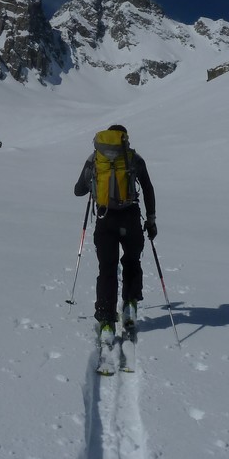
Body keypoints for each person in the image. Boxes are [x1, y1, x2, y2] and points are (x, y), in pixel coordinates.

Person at [73, 124, 156, 341]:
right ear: (124, 139)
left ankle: (107, 320)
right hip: (130, 218)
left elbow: (77, 191)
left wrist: (95, 184)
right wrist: (152, 220)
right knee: (131, 261)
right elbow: (148, 188)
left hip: (104, 219)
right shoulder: (133, 159)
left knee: (107, 269)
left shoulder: (95, 159)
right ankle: (129, 306)